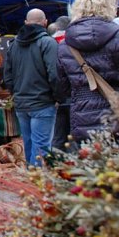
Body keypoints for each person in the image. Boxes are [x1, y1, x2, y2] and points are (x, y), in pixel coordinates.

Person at [56, 0, 119, 143]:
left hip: (82, 117)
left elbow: (64, 88)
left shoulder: (65, 46)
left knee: (89, 165)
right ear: (109, 6)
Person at [3, 8, 60, 166]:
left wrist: (16, 93)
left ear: (26, 23)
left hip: (22, 104)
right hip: (43, 103)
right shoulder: (48, 43)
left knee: (29, 144)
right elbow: (55, 74)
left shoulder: (14, 45)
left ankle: (31, 181)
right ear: (45, 22)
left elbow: (7, 74)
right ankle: (37, 185)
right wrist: (57, 97)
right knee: (41, 146)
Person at [49, 16, 72, 151]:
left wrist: (56, 96)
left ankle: (56, 168)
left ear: (57, 27)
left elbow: (52, 73)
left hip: (57, 97)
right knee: (73, 136)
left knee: (58, 136)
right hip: (75, 95)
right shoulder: (74, 42)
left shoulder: (49, 42)